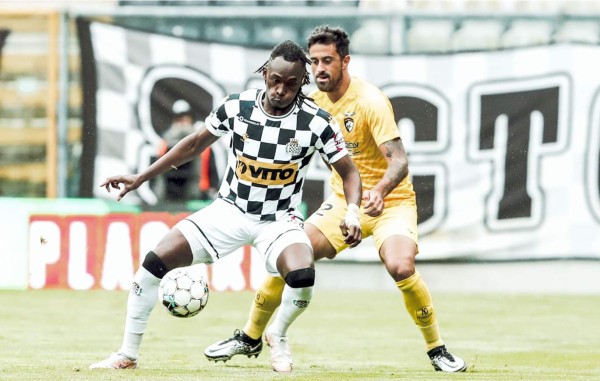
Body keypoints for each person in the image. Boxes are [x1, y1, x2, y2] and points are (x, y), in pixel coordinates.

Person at [204, 26, 467, 373]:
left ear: (345, 61)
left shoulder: (370, 101)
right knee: (291, 254)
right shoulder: (309, 101)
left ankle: (437, 350)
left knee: (401, 267)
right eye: (313, 62)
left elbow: (400, 161)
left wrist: (379, 191)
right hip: (343, 203)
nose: (319, 69)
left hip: (392, 203)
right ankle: (251, 336)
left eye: (327, 61)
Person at [89, 39, 363, 370]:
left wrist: (352, 212)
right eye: (275, 80)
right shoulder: (236, 107)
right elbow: (192, 145)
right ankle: (127, 355)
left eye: (290, 84)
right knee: (152, 265)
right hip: (228, 211)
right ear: (265, 74)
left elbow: (349, 173)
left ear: (301, 82)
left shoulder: (317, 122)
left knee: (303, 274)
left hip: (278, 220)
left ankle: (278, 335)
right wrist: (140, 177)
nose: (280, 90)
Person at [156, 99, 199, 202]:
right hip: (168, 195)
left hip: (194, 195)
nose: (183, 122)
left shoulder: (202, 143)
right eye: (179, 118)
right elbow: (158, 173)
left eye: (185, 117)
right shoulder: (164, 142)